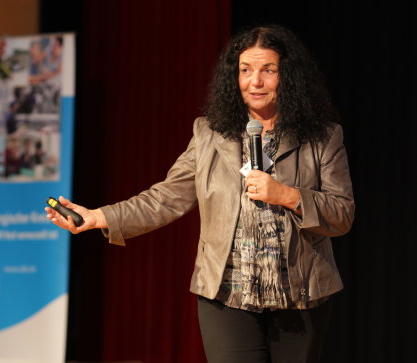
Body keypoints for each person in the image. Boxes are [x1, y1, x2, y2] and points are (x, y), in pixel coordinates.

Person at [45, 24, 355, 363]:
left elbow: (341, 214)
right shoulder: (209, 133)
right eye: (246, 70)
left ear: (289, 76)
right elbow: (165, 197)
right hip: (225, 293)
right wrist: (98, 216)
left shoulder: (323, 137)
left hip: (301, 296)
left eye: (269, 70)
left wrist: (287, 195)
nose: (256, 82)